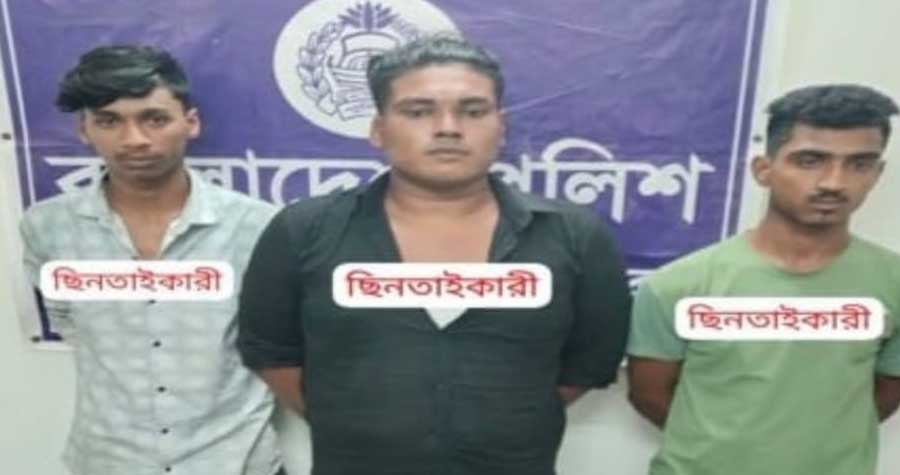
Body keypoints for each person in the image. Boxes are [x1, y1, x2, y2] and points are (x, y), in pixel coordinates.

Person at [236, 34, 631, 475]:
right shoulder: (303, 230)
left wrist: (495, 420)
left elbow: (587, 363)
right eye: (418, 111)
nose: (448, 127)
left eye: (473, 111)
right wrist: (358, 421)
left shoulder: (573, 236)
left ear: (500, 126)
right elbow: (272, 353)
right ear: (378, 129)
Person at [19, 45, 282, 474]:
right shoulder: (48, 227)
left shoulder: (257, 226)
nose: (134, 140)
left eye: (154, 119)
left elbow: (276, 342)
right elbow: (69, 323)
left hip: (233, 461)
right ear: (84, 129)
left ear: (190, 123)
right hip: (109, 461)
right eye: (109, 121)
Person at [627, 84, 900, 475]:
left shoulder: (892, 282)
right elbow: (649, 394)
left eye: (859, 164)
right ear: (764, 169)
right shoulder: (679, 286)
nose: (834, 182)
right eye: (810, 161)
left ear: (878, 173)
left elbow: (886, 393)